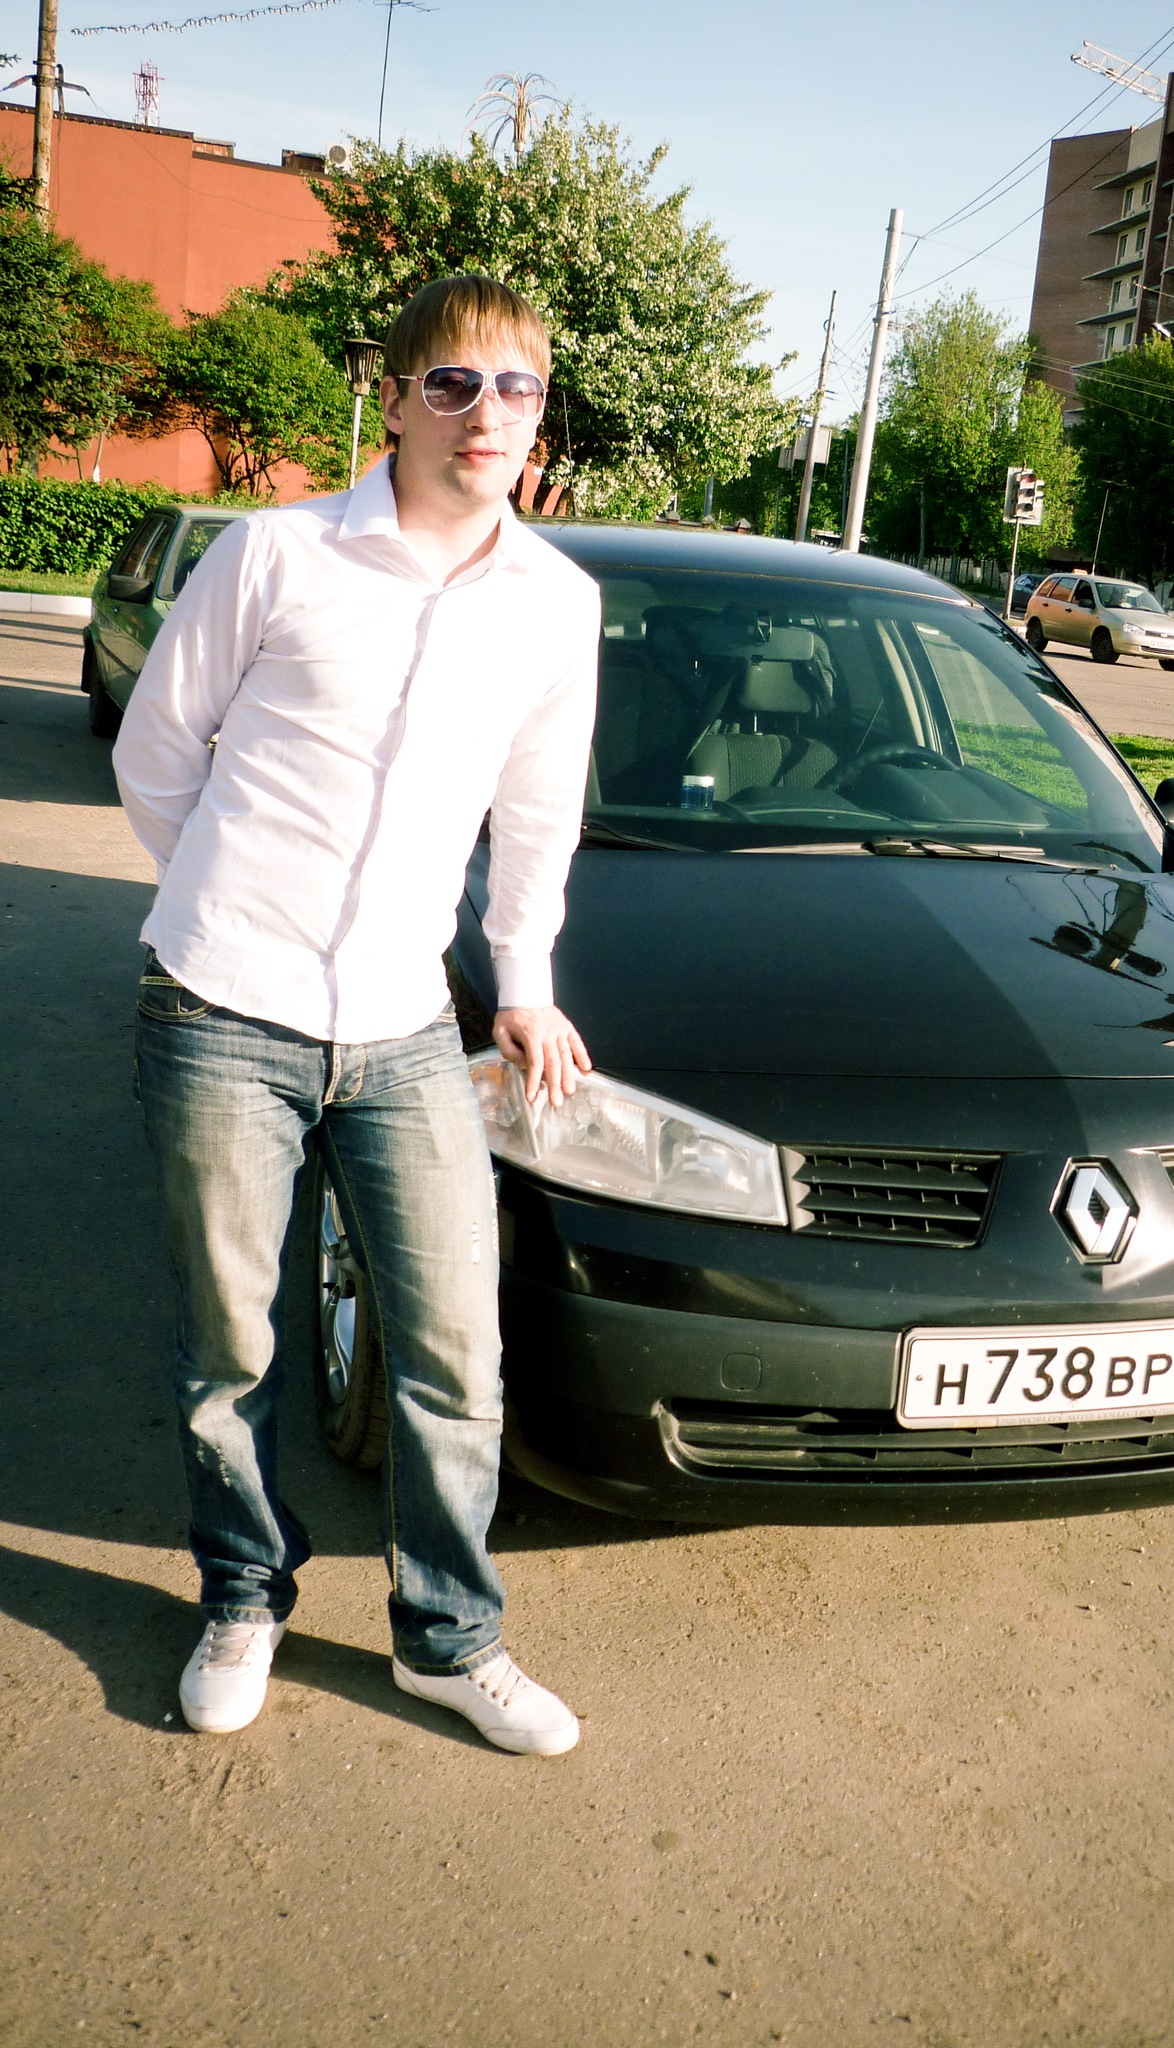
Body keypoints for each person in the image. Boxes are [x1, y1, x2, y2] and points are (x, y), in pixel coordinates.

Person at [114, 275, 600, 1755]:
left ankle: (448, 1639)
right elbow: (157, 750)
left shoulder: (555, 604)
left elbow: (537, 819)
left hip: (403, 1027)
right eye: (451, 382)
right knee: (233, 1345)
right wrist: (228, 902)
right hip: (221, 1010)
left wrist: (525, 985)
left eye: (514, 387)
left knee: (456, 1348)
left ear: (538, 415)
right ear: (392, 400)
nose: (484, 414)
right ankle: (243, 1598)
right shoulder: (275, 555)